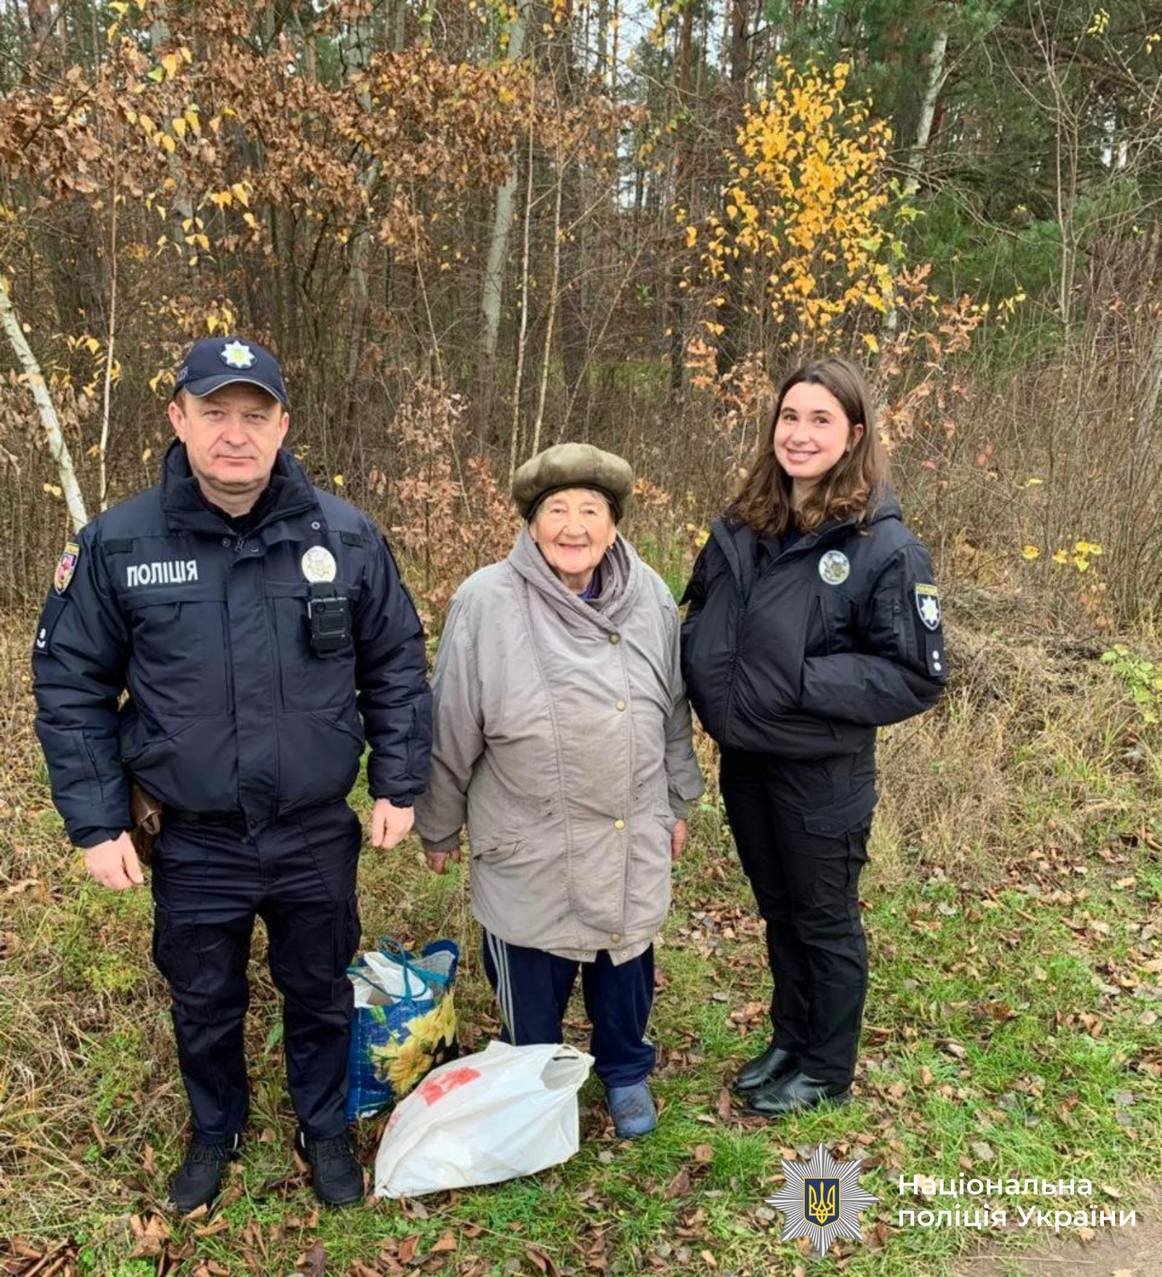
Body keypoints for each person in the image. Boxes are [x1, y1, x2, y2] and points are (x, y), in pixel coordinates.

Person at [32, 336, 431, 1210]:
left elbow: (396, 661)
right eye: (216, 413)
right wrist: (98, 823)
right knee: (204, 999)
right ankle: (216, 1130)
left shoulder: (346, 536)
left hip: (311, 828)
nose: (236, 434)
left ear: (284, 426)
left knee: (319, 990)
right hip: (195, 835)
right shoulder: (118, 544)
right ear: (179, 419)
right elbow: (71, 685)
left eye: (256, 415)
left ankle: (322, 1127)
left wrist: (399, 782)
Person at [681, 357, 946, 1117]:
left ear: (855, 434)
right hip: (746, 763)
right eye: (789, 417)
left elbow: (917, 675)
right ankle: (789, 1039)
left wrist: (798, 682)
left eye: (821, 420)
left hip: (821, 772)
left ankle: (825, 1068)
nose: (800, 434)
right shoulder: (743, 525)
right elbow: (699, 611)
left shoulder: (883, 547)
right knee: (779, 913)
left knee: (825, 921)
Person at [415, 443, 703, 1139]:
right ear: (531, 522)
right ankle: (532, 1077)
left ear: (613, 523)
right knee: (531, 963)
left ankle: (625, 1070)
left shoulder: (652, 597)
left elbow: (672, 710)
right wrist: (438, 823)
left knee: (625, 957)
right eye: (557, 510)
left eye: (591, 511)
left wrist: (679, 797)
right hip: (529, 832)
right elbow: (450, 721)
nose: (574, 527)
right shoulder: (486, 601)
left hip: (629, 824)